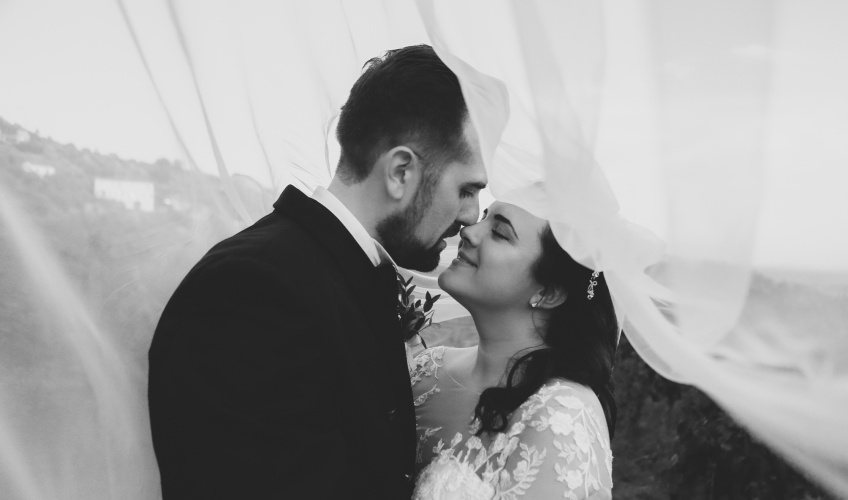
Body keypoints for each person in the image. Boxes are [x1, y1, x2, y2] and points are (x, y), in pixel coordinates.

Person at [147, 44, 487, 499]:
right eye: (466, 189)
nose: (471, 216)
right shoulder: (251, 292)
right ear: (400, 172)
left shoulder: (335, 275)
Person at [411, 201, 618, 499]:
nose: (469, 231)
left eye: (499, 232)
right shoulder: (425, 369)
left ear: (547, 292)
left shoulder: (563, 416)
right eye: (484, 217)